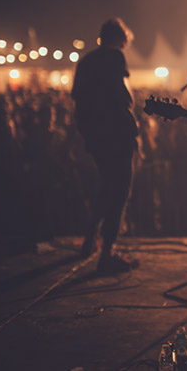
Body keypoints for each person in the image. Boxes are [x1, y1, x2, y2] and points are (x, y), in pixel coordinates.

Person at [71, 18, 139, 274]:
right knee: (120, 192)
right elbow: (122, 97)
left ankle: (90, 240)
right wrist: (133, 131)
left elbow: (77, 99)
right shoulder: (115, 57)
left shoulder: (86, 61)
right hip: (117, 135)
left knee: (106, 187)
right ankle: (107, 253)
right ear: (121, 39)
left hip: (96, 137)